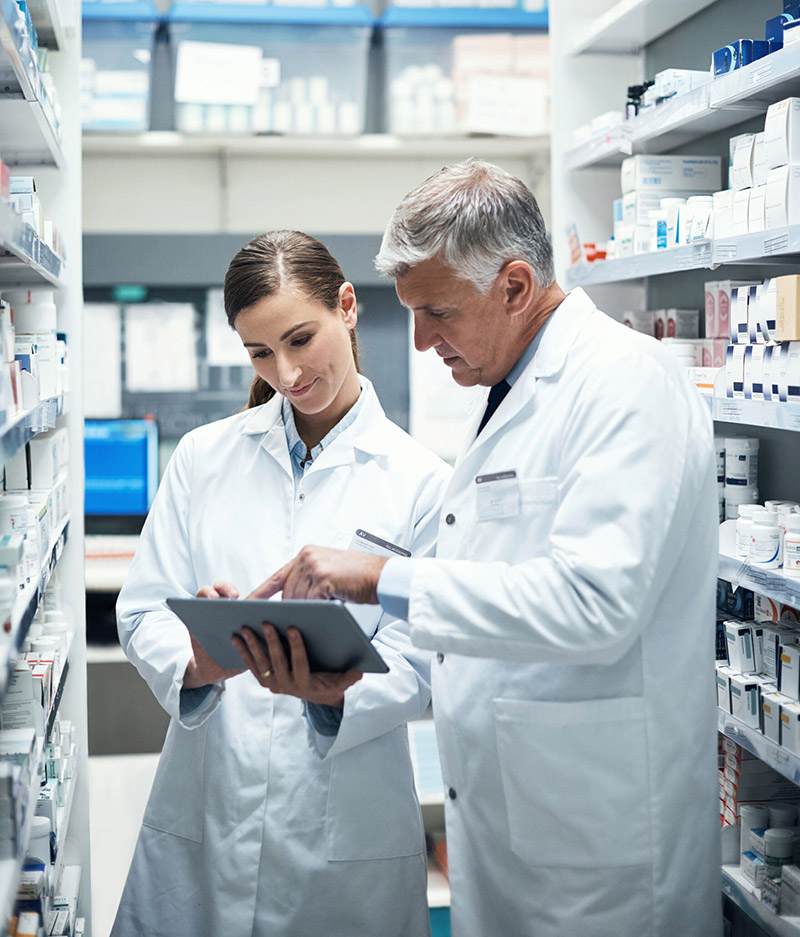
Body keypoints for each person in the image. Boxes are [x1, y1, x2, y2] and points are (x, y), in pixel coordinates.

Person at [250, 161, 722, 937]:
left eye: (435, 310)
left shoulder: (623, 383)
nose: (419, 339)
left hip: (601, 848)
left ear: (513, 284)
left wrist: (381, 577)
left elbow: (594, 604)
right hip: (515, 823)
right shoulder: (512, 381)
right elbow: (497, 602)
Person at [111, 231, 451, 937]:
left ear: (348, 307)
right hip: (209, 804)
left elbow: (427, 657)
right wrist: (198, 661)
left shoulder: (422, 481)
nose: (287, 372)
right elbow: (144, 610)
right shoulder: (204, 457)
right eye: (260, 352)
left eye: (301, 338)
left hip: (343, 830)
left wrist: (337, 695)